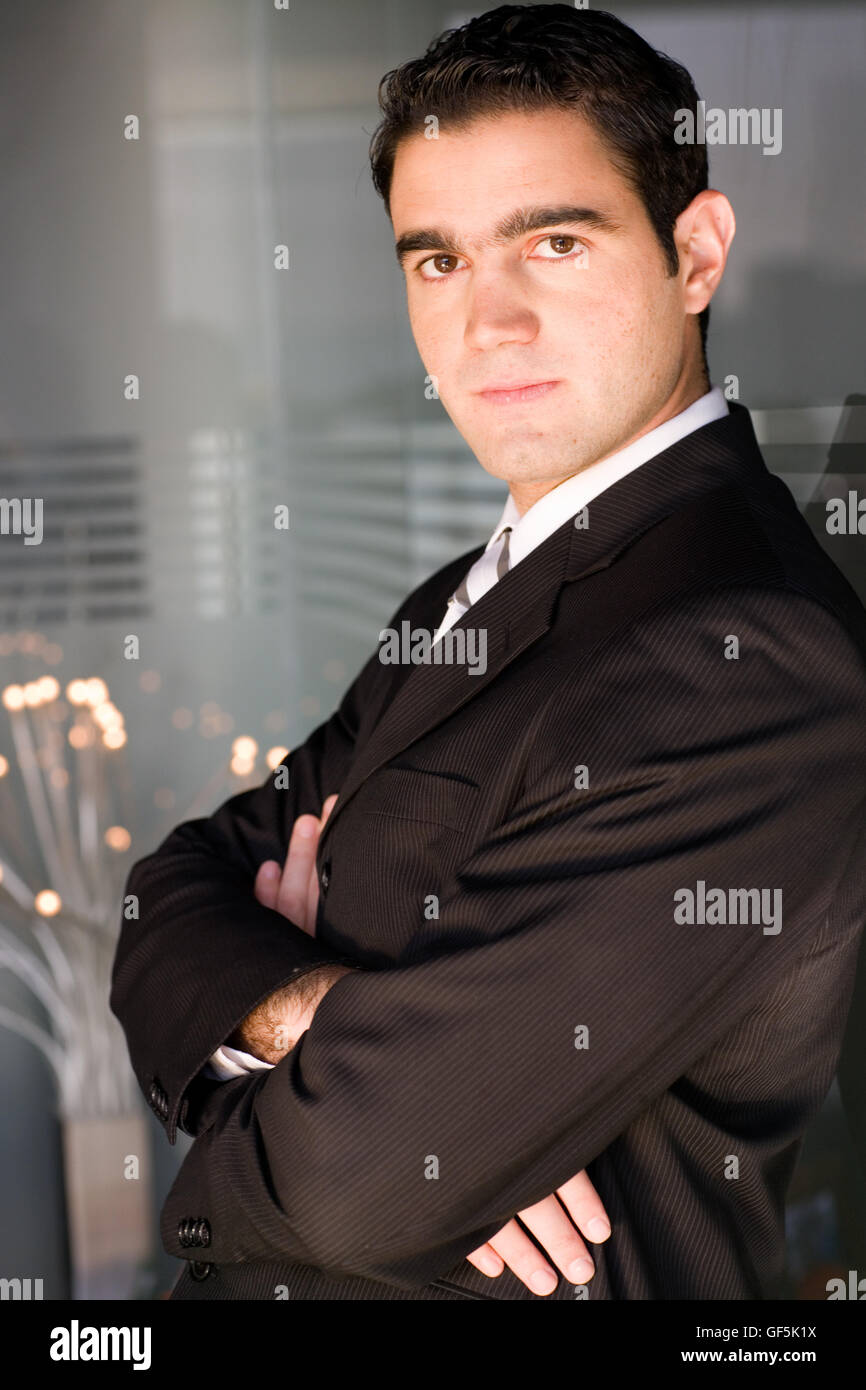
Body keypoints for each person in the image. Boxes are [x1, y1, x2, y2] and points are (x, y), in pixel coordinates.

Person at [111, 4, 866, 1300]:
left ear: (694, 253)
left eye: (553, 243)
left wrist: (329, 1088)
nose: (486, 322)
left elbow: (359, 1176)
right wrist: (338, 1028)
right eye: (438, 262)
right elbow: (164, 897)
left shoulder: (750, 654)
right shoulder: (475, 586)